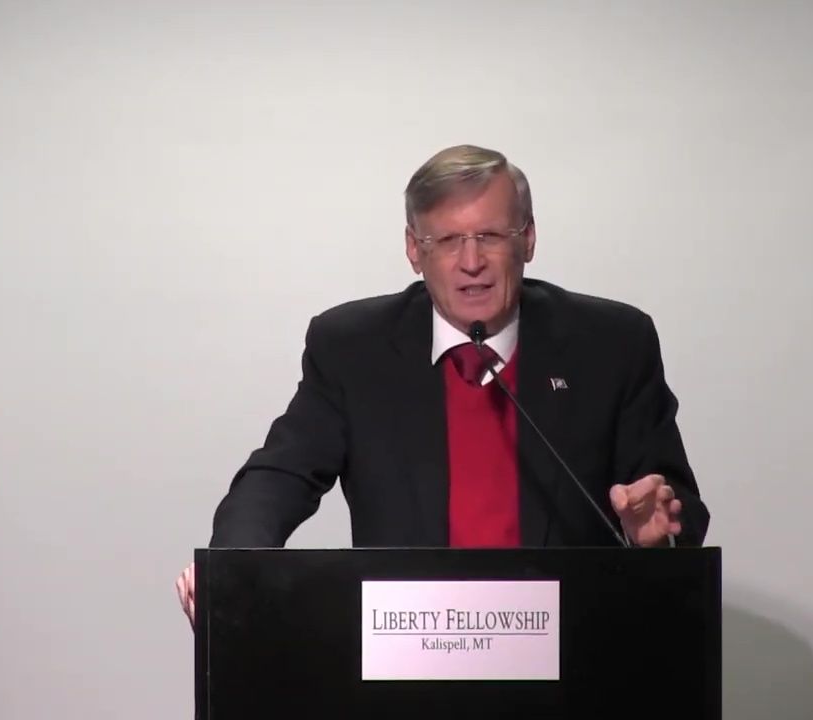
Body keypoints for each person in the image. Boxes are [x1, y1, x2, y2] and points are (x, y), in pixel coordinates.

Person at [175, 144, 709, 627]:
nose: (471, 262)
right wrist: (232, 568)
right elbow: (279, 476)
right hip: (410, 650)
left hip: (573, 646)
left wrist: (654, 537)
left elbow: (675, 504)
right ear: (414, 249)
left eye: (491, 236)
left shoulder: (611, 344)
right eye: (448, 240)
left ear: (527, 240)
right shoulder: (353, 349)